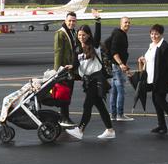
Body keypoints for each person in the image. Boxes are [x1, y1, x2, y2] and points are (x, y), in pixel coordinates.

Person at [65, 10, 115, 140]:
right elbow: (76, 64)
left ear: (88, 35)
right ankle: (110, 130)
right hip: (87, 80)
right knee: (99, 105)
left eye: (84, 35)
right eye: (79, 35)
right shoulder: (77, 48)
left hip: (96, 79)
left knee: (87, 105)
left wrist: (97, 20)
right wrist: (71, 67)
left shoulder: (94, 46)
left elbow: (97, 35)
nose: (81, 37)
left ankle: (80, 130)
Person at [139, 24, 168, 134]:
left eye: (156, 34)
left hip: (162, 79)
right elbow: (152, 60)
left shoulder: (166, 47)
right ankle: (162, 125)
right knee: (156, 101)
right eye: (152, 33)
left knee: (159, 100)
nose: (154, 36)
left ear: (161, 34)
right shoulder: (152, 45)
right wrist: (144, 60)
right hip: (152, 78)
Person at [54, 11, 79, 127]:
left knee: (68, 93)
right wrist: (57, 71)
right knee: (65, 94)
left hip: (70, 69)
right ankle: (64, 118)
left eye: (73, 21)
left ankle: (63, 116)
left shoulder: (73, 32)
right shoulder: (61, 33)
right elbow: (58, 53)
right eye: (69, 21)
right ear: (65, 21)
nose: (71, 23)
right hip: (63, 70)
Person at [108, 17, 134, 122]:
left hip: (116, 66)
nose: (127, 24)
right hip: (116, 66)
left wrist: (124, 66)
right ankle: (120, 114)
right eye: (125, 22)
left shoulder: (121, 34)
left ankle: (113, 114)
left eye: (128, 22)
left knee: (114, 91)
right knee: (121, 90)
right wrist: (121, 64)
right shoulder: (119, 35)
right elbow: (114, 51)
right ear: (121, 23)